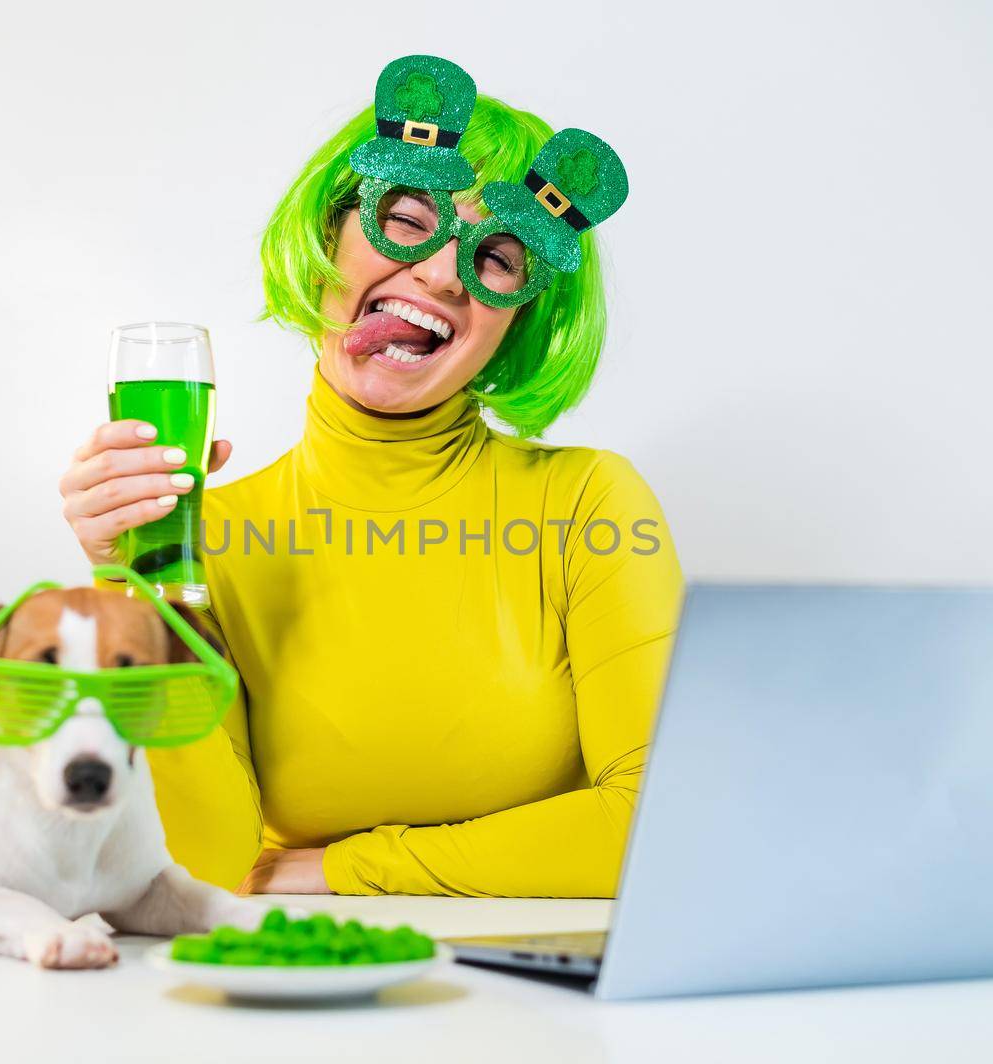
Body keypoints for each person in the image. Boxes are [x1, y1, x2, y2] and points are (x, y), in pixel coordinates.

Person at [56, 56, 683, 897]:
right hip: (288, 978)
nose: (438, 274)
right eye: (409, 216)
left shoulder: (588, 505)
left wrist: (347, 869)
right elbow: (199, 868)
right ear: (326, 237)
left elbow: (659, 823)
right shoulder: (210, 539)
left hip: (528, 987)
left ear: (517, 320)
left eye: (497, 258)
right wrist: (139, 569)